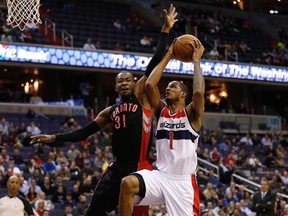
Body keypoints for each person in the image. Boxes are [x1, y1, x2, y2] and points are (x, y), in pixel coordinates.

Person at [30, 4, 177, 216]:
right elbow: (84, 132)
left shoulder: (142, 99)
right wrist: (53, 137)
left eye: (128, 80)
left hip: (140, 168)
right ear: (116, 87)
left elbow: (154, 63)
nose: (125, 83)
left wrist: (165, 30)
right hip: (117, 168)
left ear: (134, 82)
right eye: (121, 81)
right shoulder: (110, 112)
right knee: (93, 211)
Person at [119, 37, 205, 215]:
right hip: (160, 176)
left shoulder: (192, 114)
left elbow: (198, 92)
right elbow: (150, 84)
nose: (168, 88)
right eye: (168, 86)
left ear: (183, 94)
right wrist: (170, 54)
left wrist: (196, 62)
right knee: (127, 184)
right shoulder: (162, 111)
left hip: (183, 183)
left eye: (173, 87)